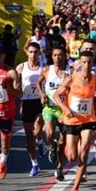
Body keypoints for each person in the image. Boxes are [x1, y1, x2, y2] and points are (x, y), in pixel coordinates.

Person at [54, 50, 96, 191]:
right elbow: (56, 95)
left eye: (89, 62)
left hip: (88, 120)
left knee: (83, 153)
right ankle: (65, 146)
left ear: (92, 64)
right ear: (79, 63)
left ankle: (75, 189)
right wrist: (65, 109)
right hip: (71, 120)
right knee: (71, 157)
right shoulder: (71, 79)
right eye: (83, 62)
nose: (86, 65)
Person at [0, 44, 22, 182]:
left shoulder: (10, 72)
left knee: (5, 143)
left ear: (4, 56)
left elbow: (19, 93)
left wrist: (8, 88)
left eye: (0, 55)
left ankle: (3, 162)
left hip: (6, 112)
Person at [36, 46, 70, 181]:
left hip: (63, 109)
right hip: (49, 108)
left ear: (65, 56)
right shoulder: (46, 70)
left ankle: (60, 167)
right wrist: (41, 93)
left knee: (63, 140)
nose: (57, 58)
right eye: (55, 55)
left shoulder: (69, 72)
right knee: (49, 133)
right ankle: (51, 146)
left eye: (60, 55)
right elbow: (38, 83)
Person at [16, 42, 46, 177]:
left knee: (38, 126)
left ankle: (40, 141)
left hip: (39, 102)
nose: (33, 55)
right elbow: (15, 84)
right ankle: (34, 164)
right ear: (27, 52)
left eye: (36, 52)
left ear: (39, 53)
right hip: (26, 102)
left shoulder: (43, 69)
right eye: (31, 52)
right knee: (29, 136)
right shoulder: (21, 67)